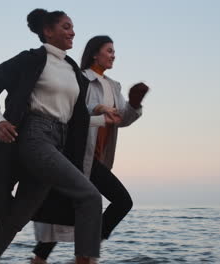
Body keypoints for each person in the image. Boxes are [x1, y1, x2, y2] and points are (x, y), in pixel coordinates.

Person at [0, 9, 104, 264]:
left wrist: (103, 120)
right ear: (48, 30)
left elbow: (73, 116)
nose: (72, 32)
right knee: (89, 196)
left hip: (58, 141)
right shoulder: (31, 59)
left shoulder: (72, 70)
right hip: (34, 136)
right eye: (66, 27)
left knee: (19, 215)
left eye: (72, 27)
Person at [31, 35, 149, 264]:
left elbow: (121, 119)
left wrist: (134, 105)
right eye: (109, 50)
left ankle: (41, 259)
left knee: (65, 210)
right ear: (95, 53)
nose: (113, 55)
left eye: (114, 51)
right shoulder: (80, 78)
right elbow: (69, 109)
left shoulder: (113, 86)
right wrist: (97, 107)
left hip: (100, 157)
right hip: (77, 154)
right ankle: (86, 250)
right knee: (122, 202)